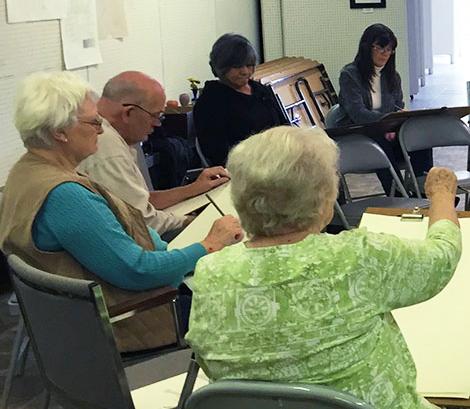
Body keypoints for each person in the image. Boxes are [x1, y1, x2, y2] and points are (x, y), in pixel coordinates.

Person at [185, 127, 470, 409]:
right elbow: (442, 256)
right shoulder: (358, 258)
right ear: (323, 198)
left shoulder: (210, 273)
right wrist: (442, 194)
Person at [0, 72, 242, 353]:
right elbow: (139, 271)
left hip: (73, 323)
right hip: (125, 321)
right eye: (94, 122)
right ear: (59, 132)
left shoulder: (24, 172)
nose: (102, 130)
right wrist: (208, 244)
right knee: (247, 308)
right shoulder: (65, 195)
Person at [78, 71, 230, 238]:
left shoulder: (110, 136)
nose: (157, 125)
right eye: (156, 116)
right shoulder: (106, 145)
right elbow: (142, 222)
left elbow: (141, 202)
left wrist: (194, 189)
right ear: (128, 112)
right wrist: (190, 221)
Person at [330, 24, 430, 193]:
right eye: (381, 48)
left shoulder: (393, 76)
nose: (386, 53)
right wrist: (386, 124)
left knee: (420, 136)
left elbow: (398, 106)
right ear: (366, 47)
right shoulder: (349, 75)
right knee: (381, 140)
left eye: (390, 49)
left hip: (385, 133)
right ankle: (399, 195)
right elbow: (358, 114)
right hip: (358, 137)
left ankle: (425, 190)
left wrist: (397, 121)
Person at [193, 33, 289, 167]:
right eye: (237, 67)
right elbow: (217, 152)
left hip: (276, 159)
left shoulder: (260, 90)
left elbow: (283, 125)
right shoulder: (210, 102)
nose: (245, 72)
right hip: (245, 167)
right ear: (221, 67)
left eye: (249, 65)